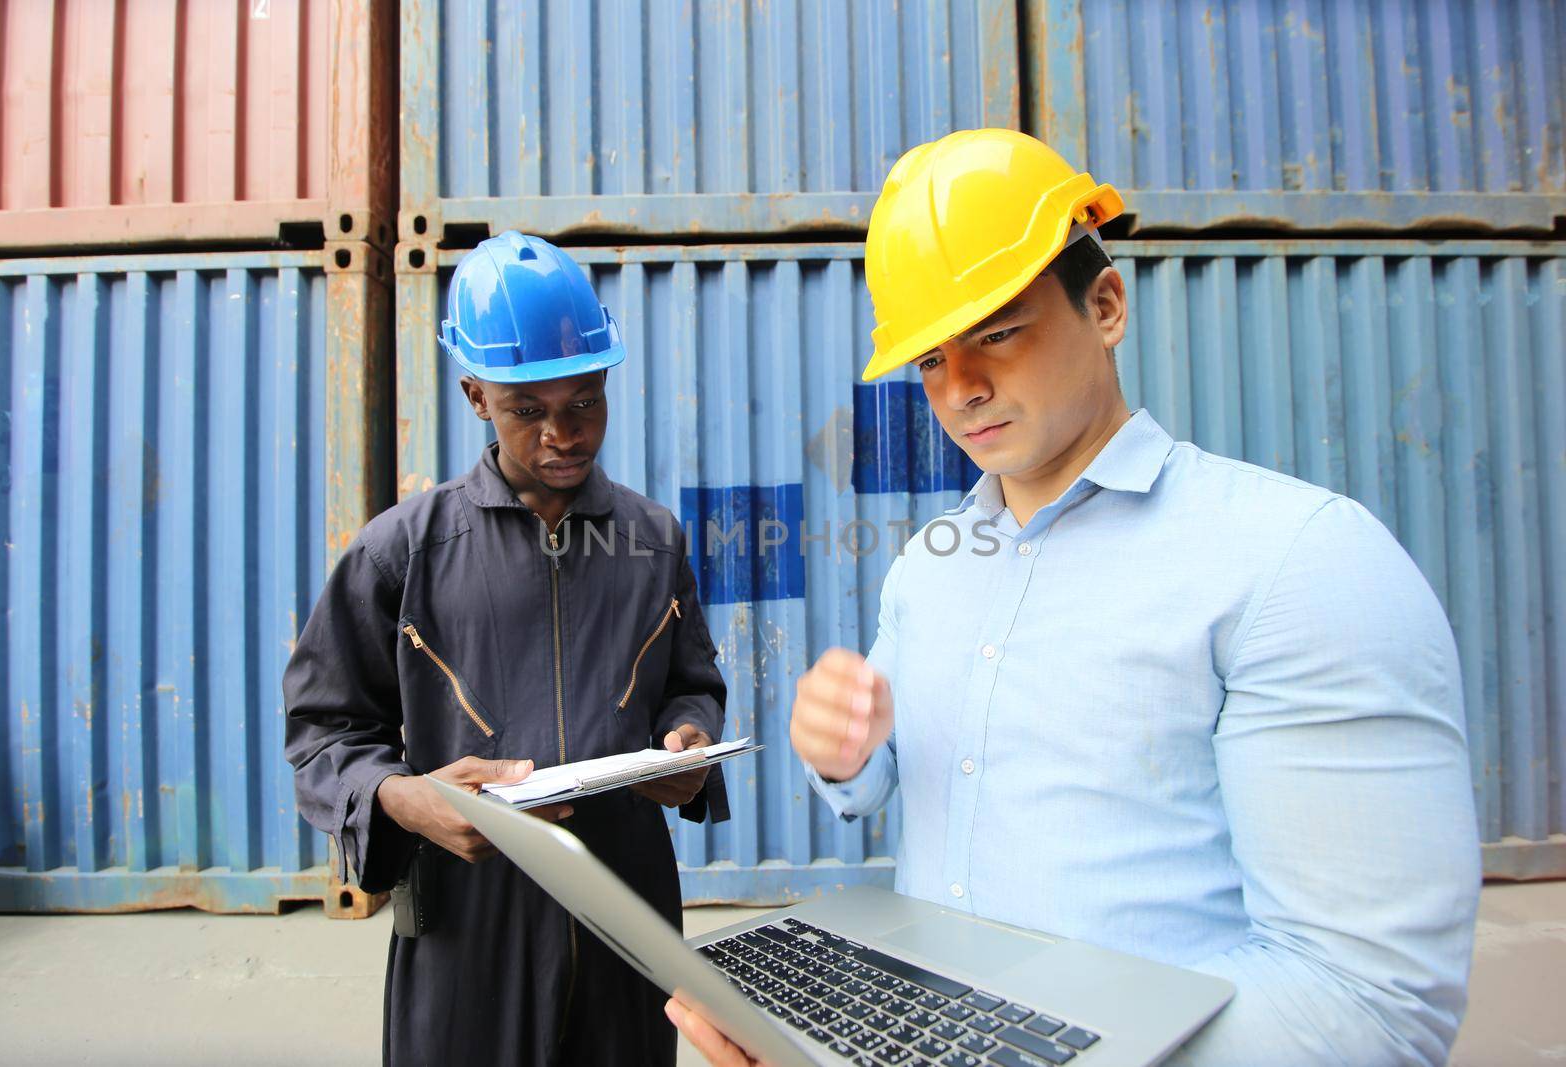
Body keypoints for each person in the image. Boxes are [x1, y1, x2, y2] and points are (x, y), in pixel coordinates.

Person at [666, 129, 1480, 1066]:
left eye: (999, 331)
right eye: (932, 358)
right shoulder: (931, 564)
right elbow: (881, 781)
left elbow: (1370, 1003)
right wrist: (845, 754)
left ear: (1104, 304)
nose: (962, 387)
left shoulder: (1296, 562)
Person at [285, 231, 729, 1065]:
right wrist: (399, 798)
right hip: (468, 928)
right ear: (476, 396)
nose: (564, 433)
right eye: (529, 409)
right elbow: (324, 732)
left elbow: (692, 686)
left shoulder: (653, 542)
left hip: (627, 921)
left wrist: (690, 740)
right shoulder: (402, 555)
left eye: (586, 401)